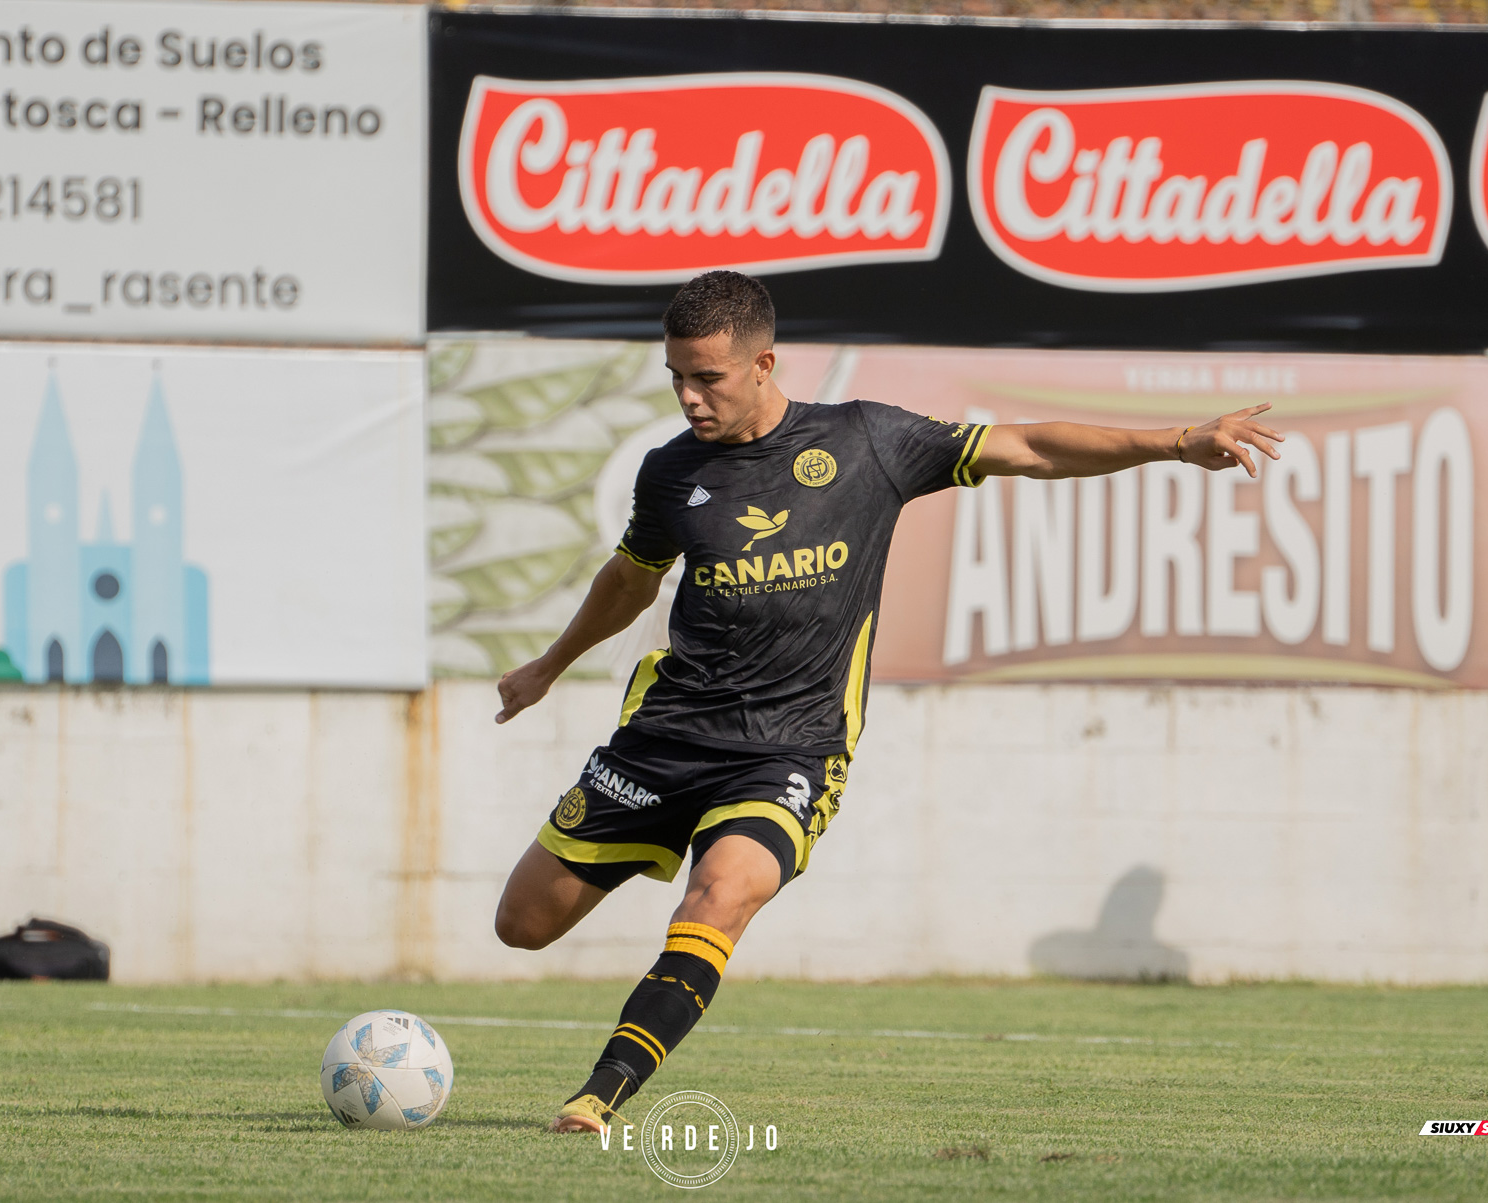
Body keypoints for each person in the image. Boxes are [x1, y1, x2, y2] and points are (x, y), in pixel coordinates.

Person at [490, 271, 1283, 1133]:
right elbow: (629, 580)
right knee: (522, 923)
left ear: (764, 364)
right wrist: (549, 666)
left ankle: (601, 1093)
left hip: (788, 750)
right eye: (677, 376)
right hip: (666, 737)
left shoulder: (867, 440)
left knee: (721, 893)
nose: (689, 396)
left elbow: (1030, 446)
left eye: (707, 377)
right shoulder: (670, 472)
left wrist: (1176, 442)